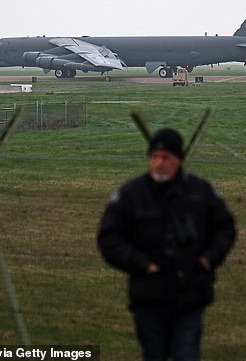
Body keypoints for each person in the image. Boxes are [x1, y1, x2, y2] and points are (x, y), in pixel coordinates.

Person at [98, 128, 237, 361]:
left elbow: (225, 228)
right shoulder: (132, 194)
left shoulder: (200, 192)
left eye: (166, 158)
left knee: (186, 354)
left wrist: (209, 258)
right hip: (149, 296)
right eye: (154, 157)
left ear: (179, 160)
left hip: (190, 294)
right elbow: (109, 238)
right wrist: (141, 264)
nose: (159, 163)